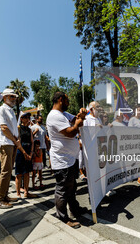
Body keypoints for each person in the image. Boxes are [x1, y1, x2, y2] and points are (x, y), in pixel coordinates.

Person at [46, 91, 88, 229]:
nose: (68, 103)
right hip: (62, 160)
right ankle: (63, 217)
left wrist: (81, 115)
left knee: (72, 187)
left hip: (70, 159)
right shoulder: (54, 116)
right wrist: (78, 123)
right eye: (67, 100)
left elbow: (75, 118)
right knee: (63, 190)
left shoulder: (63, 114)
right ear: (60, 100)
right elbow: (70, 132)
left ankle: (75, 209)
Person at [0, 89, 21, 209]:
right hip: (5, 143)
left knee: (8, 171)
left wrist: (16, 140)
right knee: (5, 171)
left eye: (14, 96)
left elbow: (12, 128)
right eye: (11, 96)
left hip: (11, 143)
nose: (14, 98)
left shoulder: (11, 111)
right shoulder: (1, 109)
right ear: (4, 98)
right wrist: (15, 140)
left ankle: (4, 195)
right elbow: (3, 128)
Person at [15, 112, 37, 198]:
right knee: (19, 173)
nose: (28, 120)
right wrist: (24, 153)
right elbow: (18, 141)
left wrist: (31, 153)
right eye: (26, 118)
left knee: (27, 173)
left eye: (29, 118)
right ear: (21, 119)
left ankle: (26, 192)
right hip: (20, 152)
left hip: (28, 152)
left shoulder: (29, 129)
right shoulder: (18, 128)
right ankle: (18, 193)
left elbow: (32, 142)